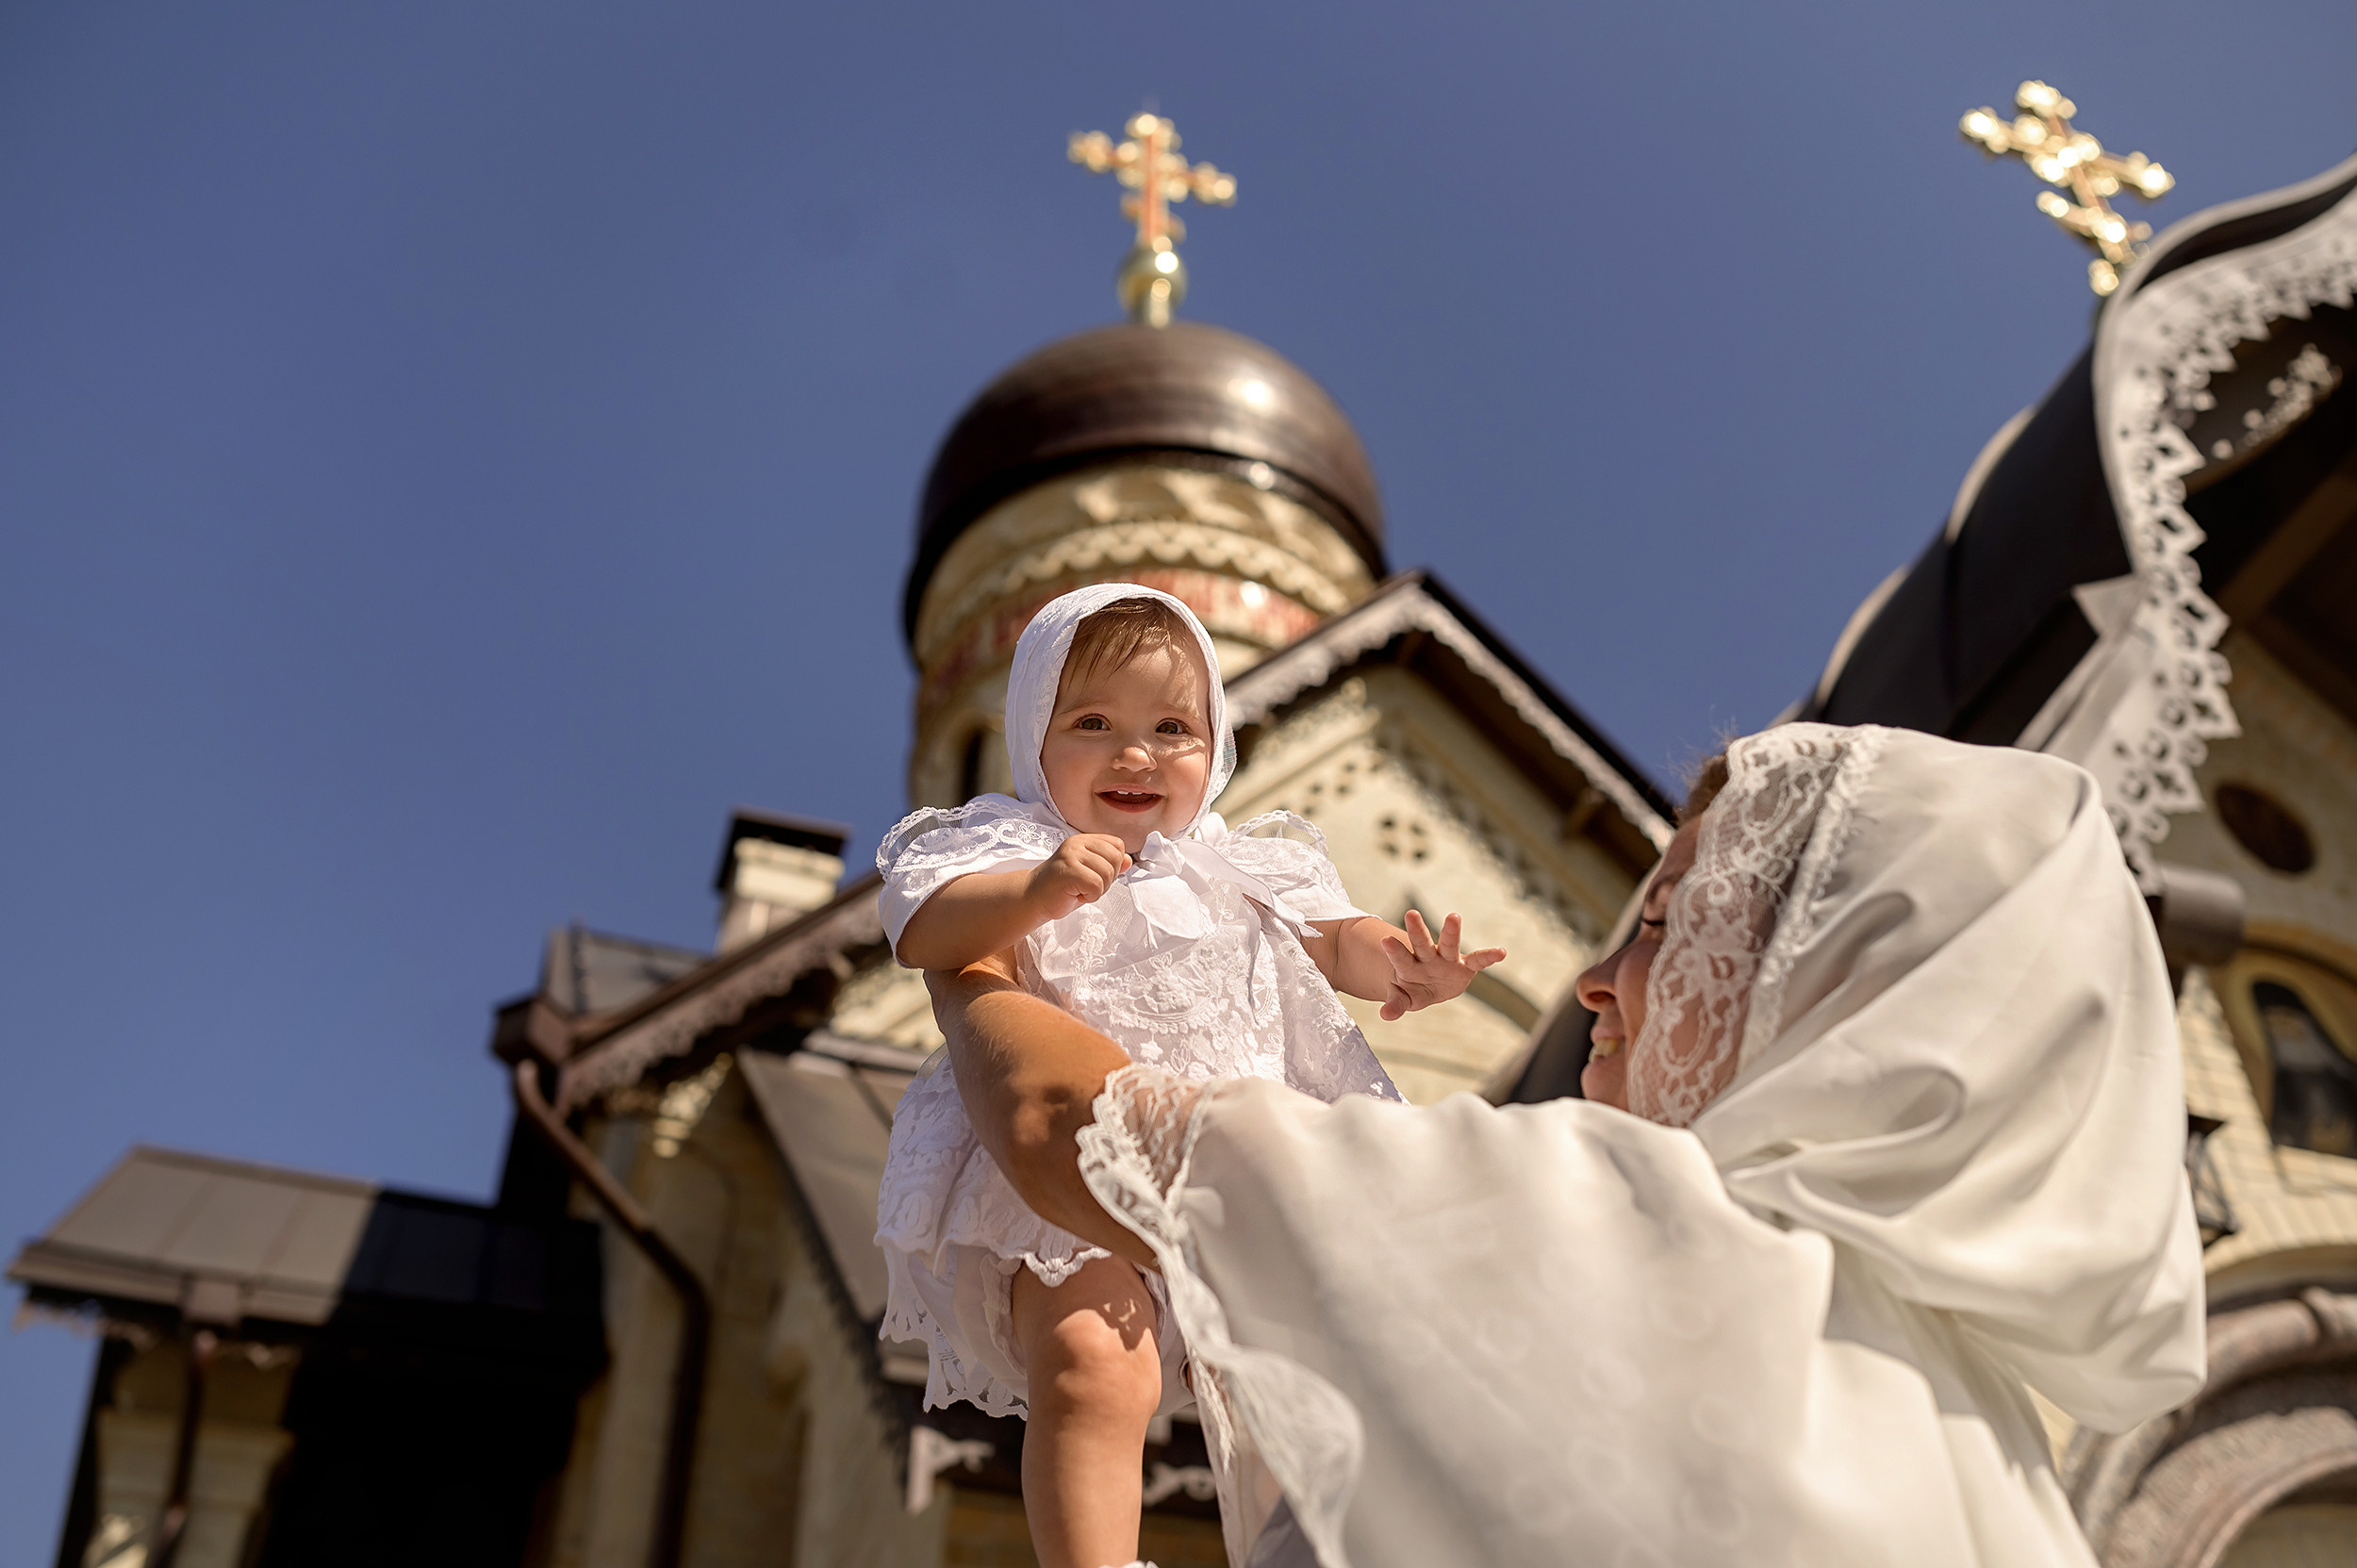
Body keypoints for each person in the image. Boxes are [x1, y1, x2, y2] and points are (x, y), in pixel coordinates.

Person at [926, 722, 2206, 1568]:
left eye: (1665, 926)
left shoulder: (1594, 1226)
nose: (1594, 979)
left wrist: (973, 961)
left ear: (1820, 978)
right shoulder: (2009, 1478)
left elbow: (1057, 1119)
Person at [873, 583, 1506, 1568]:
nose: (1135, 753)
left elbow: (1336, 940)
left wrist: (1403, 965)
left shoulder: (1242, 862)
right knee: (1090, 1363)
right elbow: (924, 931)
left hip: (1233, 1170)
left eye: (1172, 725)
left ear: (1216, 745)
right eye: (1093, 723)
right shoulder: (1010, 842)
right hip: (1075, 1178)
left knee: (1302, 1395)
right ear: (1031, 733)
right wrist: (1037, 890)